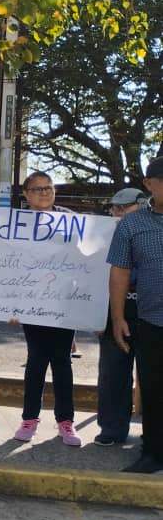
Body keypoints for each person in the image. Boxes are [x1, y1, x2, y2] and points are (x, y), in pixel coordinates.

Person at [12, 171, 81, 447]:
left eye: (49, 188)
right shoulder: (15, 223)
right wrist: (11, 303)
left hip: (63, 302)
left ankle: (66, 422)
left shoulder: (71, 220)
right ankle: (29, 419)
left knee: (62, 362)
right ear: (26, 194)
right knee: (36, 360)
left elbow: (84, 260)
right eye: (38, 189)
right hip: (32, 304)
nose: (44, 192)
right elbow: (6, 264)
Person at [107, 157, 163, 473]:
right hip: (152, 322)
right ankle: (153, 452)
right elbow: (120, 272)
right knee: (154, 390)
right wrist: (118, 318)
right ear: (149, 185)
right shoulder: (132, 224)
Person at [95, 187, 148, 447]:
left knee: (153, 376)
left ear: (142, 205)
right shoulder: (101, 235)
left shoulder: (153, 231)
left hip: (150, 313)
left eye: (123, 207)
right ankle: (112, 429)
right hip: (113, 312)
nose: (116, 212)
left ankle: (154, 432)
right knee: (112, 374)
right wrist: (92, 316)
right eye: (114, 207)